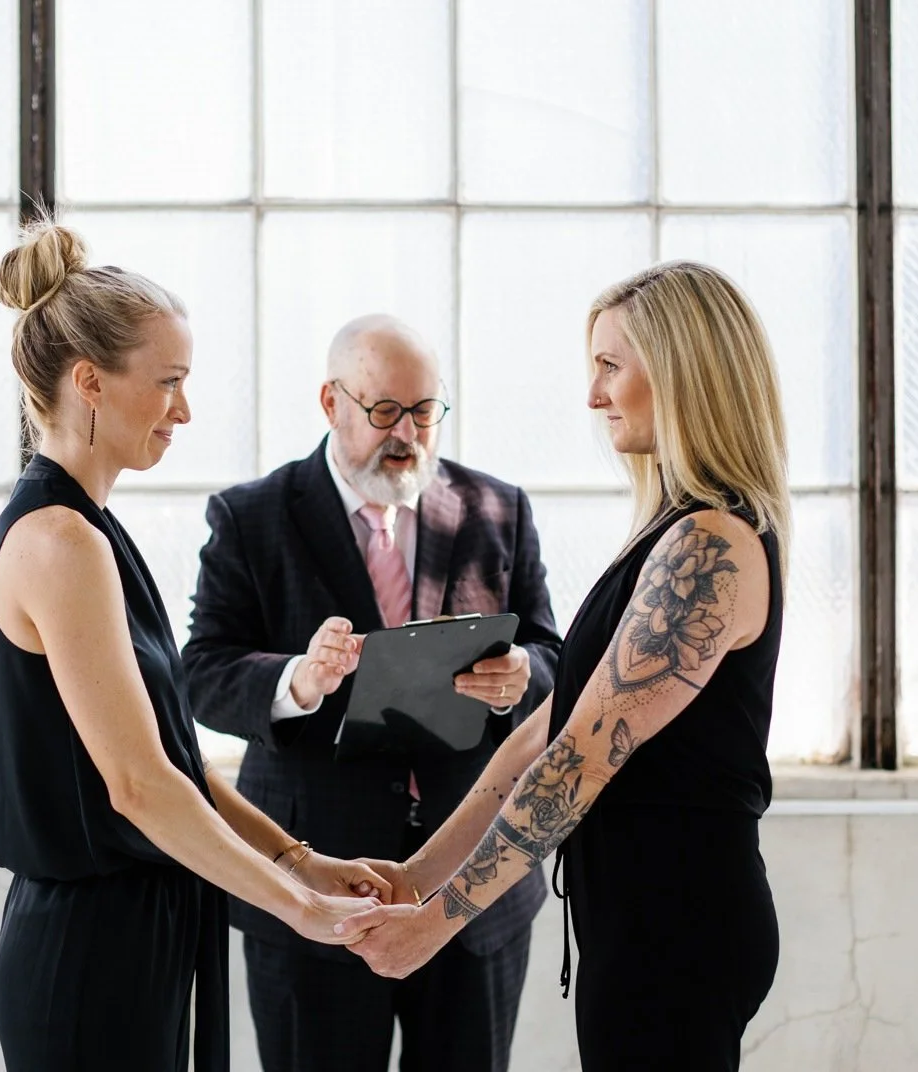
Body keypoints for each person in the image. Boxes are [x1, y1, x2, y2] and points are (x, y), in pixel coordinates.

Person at [339, 262, 790, 1072]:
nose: (593, 395)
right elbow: (534, 744)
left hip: (680, 925)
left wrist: (437, 921)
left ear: (684, 370)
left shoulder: (710, 545)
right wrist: (416, 875)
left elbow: (582, 761)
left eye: (611, 366)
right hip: (636, 920)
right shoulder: (669, 534)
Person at [0, 221, 388, 1072]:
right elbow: (137, 788)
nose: (185, 409)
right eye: (168, 382)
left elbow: (177, 765)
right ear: (90, 381)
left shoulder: (93, 532)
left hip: (143, 930)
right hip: (90, 951)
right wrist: (297, 909)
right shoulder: (60, 541)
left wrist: (302, 864)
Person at [182, 314, 563, 1072]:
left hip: (471, 884)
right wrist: (298, 679)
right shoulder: (251, 515)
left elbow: (555, 656)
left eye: (425, 411)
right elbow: (201, 672)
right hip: (315, 880)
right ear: (330, 402)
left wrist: (521, 675)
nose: (409, 434)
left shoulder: (498, 508)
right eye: (385, 410)